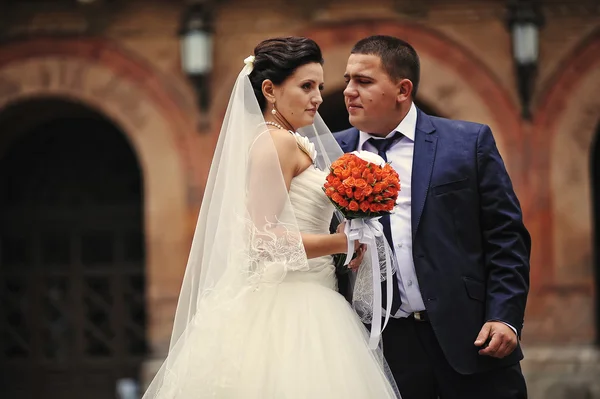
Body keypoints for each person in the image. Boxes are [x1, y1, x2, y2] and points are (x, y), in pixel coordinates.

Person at [142, 36, 400, 399]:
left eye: (320, 87)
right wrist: (342, 241)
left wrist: (342, 237)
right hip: (291, 306)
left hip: (314, 294)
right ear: (270, 90)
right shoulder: (275, 142)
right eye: (306, 86)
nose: (317, 97)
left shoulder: (288, 141)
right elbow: (262, 238)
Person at [334, 35, 531, 399]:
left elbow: (507, 238)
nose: (348, 90)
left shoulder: (468, 142)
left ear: (402, 89)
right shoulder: (329, 153)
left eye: (363, 81)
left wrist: (504, 316)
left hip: (472, 337)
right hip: (379, 349)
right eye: (347, 79)